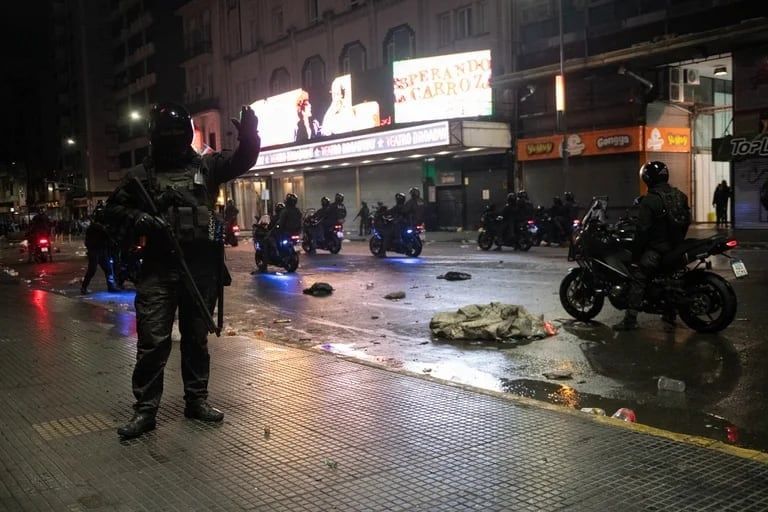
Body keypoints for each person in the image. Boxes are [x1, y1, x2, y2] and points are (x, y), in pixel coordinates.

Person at [105, 101, 260, 438]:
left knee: (196, 339)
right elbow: (112, 212)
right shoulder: (141, 177)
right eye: (168, 136)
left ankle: (196, 399)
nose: (174, 143)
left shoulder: (206, 166)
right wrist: (141, 219)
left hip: (200, 267)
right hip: (159, 267)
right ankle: (146, 410)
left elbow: (241, 161)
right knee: (152, 342)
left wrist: (250, 137)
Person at [613, 161, 690, 331]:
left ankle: (630, 319)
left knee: (638, 276)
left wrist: (635, 256)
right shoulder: (680, 195)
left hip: (658, 250)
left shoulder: (650, 200)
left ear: (648, 178)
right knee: (668, 277)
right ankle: (669, 313)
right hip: (676, 247)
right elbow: (686, 221)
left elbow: (642, 231)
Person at [81, 206, 118, 294]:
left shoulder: (94, 227)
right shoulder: (99, 228)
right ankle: (84, 287)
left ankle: (110, 286)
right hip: (96, 251)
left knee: (106, 269)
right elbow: (109, 238)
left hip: (99, 250)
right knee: (94, 270)